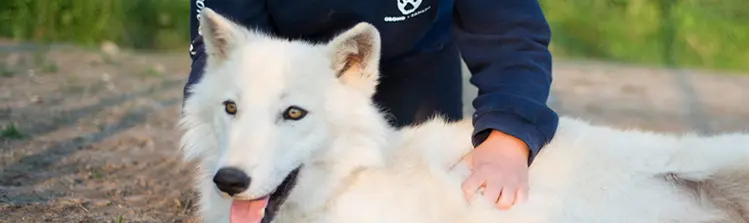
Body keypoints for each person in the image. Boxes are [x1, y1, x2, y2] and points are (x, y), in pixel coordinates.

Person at [184, 0, 559, 211]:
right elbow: (223, 53)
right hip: (286, 68)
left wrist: (509, 136)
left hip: (417, 55)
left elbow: (510, 33)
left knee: (420, 187)